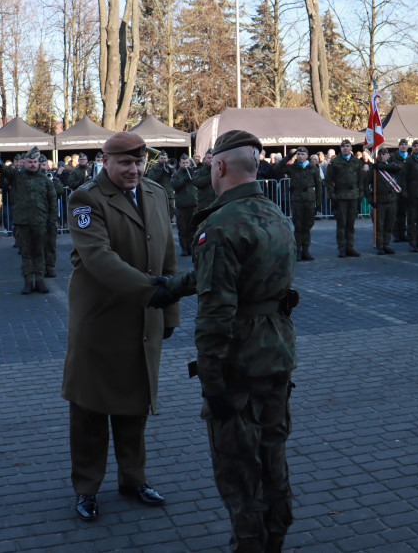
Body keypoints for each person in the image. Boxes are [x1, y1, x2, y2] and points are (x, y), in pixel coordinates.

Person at [163, 129, 298, 553]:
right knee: (273, 459)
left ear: (219, 166)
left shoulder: (219, 226)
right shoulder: (274, 214)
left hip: (238, 362)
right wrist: (174, 285)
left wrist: (211, 378)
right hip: (277, 354)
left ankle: (250, 546)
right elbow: (245, 276)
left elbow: (216, 311)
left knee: (239, 471)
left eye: (209, 165)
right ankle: (274, 540)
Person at [61, 131, 179, 522]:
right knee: (90, 410)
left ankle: (134, 479)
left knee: (134, 406)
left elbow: (167, 256)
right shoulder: (86, 198)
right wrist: (152, 292)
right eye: (125, 162)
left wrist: (170, 311)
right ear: (105, 161)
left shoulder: (156, 193)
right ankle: (87, 488)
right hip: (101, 320)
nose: (134, 169)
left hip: (144, 317)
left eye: (139, 162)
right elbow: (98, 258)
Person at [0, 146, 57, 294]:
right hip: (22, 222)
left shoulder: (45, 180)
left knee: (39, 253)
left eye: (34, 161)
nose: (32, 164)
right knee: (26, 253)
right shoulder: (17, 176)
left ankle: (39, 280)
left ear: (38, 162)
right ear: (24, 162)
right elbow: (1, 169)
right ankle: (28, 281)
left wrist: (52, 221)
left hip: (40, 222)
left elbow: (52, 201)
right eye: (29, 161)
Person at [274, 146, 323, 260]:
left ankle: (306, 250)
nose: (300, 156)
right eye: (298, 154)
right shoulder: (293, 167)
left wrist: (319, 202)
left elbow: (319, 185)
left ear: (307, 156)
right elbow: (277, 168)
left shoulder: (313, 168)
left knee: (307, 226)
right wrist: (289, 156)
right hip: (297, 200)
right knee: (298, 227)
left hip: (310, 200)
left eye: (302, 154)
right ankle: (298, 251)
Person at [324, 139, 367, 257]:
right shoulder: (335, 162)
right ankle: (341, 248)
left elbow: (361, 180)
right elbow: (328, 180)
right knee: (341, 224)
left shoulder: (357, 162)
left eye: (347, 146)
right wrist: (333, 196)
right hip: (340, 196)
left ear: (351, 148)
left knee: (351, 224)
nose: (345, 148)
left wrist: (360, 195)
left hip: (353, 195)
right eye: (343, 146)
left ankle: (350, 247)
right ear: (340, 148)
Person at [367, 147, 401, 254]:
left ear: (388, 155)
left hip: (391, 199)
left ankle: (386, 244)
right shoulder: (373, 169)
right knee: (379, 225)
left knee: (389, 224)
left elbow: (398, 168)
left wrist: (381, 166)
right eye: (380, 154)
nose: (381, 155)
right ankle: (379, 246)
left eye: (384, 153)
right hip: (379, 200)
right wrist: (370, 199)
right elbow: (365, 186)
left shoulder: (391, 166)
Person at [171, 153, 198, 256]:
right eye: (183, 163)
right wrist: (185, 178)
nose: (185, 165)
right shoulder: (176, 174)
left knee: (193, 228)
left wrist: (193, 174)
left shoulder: (193, 172)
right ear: (180, 163)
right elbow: (175, 186)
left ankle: (191, 247)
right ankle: (184, 248)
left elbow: (198, 183)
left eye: (187, 162)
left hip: (193, 203)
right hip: (181, 205)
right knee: (182, 228)